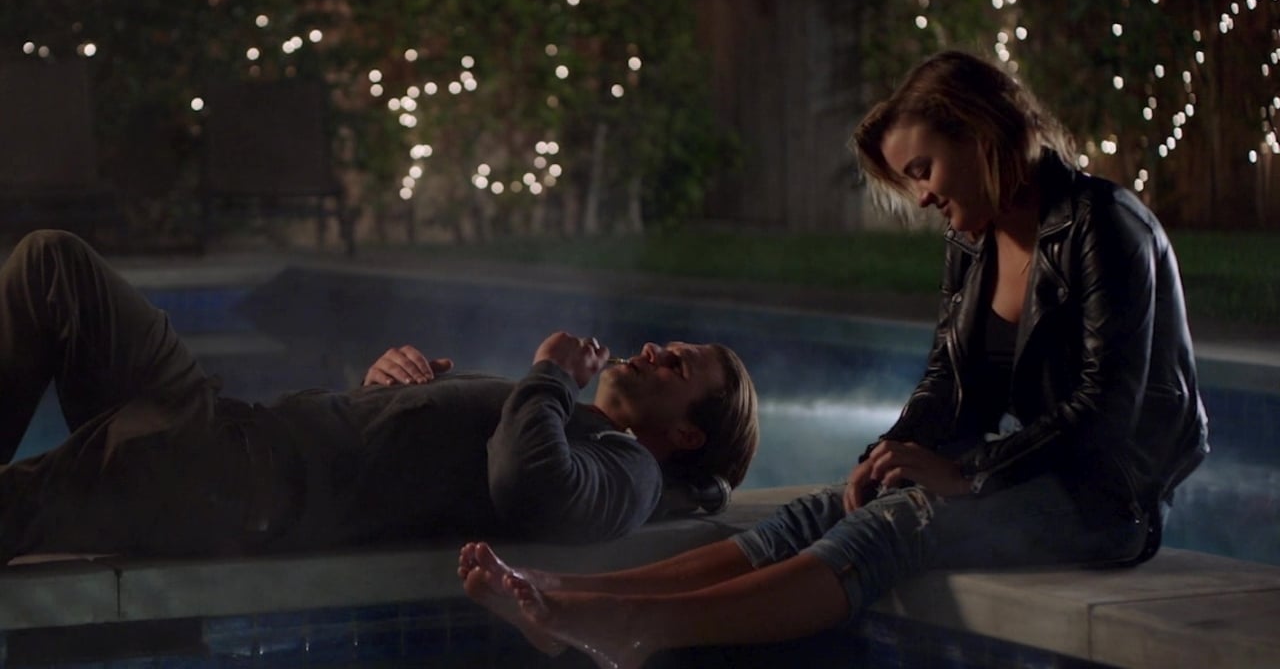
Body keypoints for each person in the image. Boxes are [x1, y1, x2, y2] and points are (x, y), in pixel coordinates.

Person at [458, 50, 1210, 669]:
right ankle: (570, 594)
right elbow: (947, 384)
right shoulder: (974, 241)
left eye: (923, 169)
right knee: (827, 508)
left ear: (980, 133)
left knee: (901, 523)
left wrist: (968, 474)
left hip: (1107, 502)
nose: (922, 197)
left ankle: (639, 628)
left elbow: (1104, 413)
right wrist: (886, 453)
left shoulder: (1104, 226)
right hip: (1030, 476)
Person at [0, 229, 759, 563]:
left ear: (688, 435)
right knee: (52, 265)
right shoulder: (574, 425)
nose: (654, 352)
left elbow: (532, 483)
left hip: (234, 481)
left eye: (677, 367)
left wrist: (554, 374)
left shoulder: (631, 470)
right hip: (229, 435)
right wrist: (382, 393)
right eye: (667, 348)